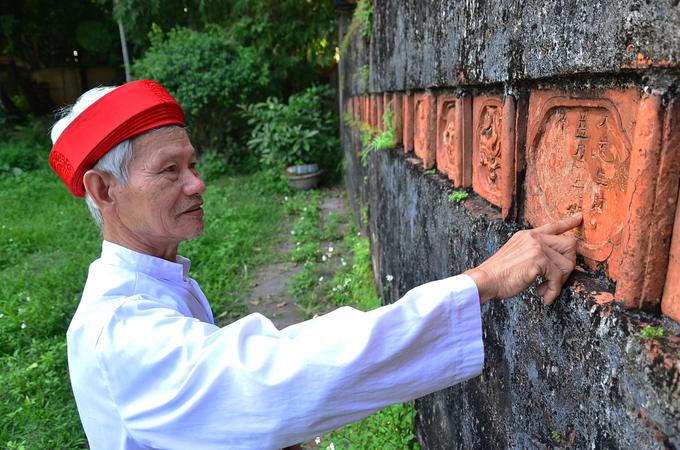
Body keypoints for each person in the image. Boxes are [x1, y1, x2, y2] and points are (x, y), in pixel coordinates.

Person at [50, 80, 582, 450]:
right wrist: (482, 281)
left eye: (192, 163)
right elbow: (273, 377)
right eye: (169, 170)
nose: (197, 183)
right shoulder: (117, 333)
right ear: (104, 190)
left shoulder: (159, 284)